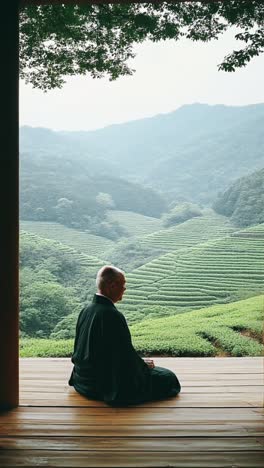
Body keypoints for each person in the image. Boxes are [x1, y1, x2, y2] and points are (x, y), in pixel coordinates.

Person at [69, 265, 181, 406]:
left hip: (82, 380)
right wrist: (143, 366)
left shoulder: (86, 310)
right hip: (101, 385)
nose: (125, 289)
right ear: (112, 286)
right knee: (168, 377)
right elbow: (124, 357)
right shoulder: (112, 315)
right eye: (123, 285)